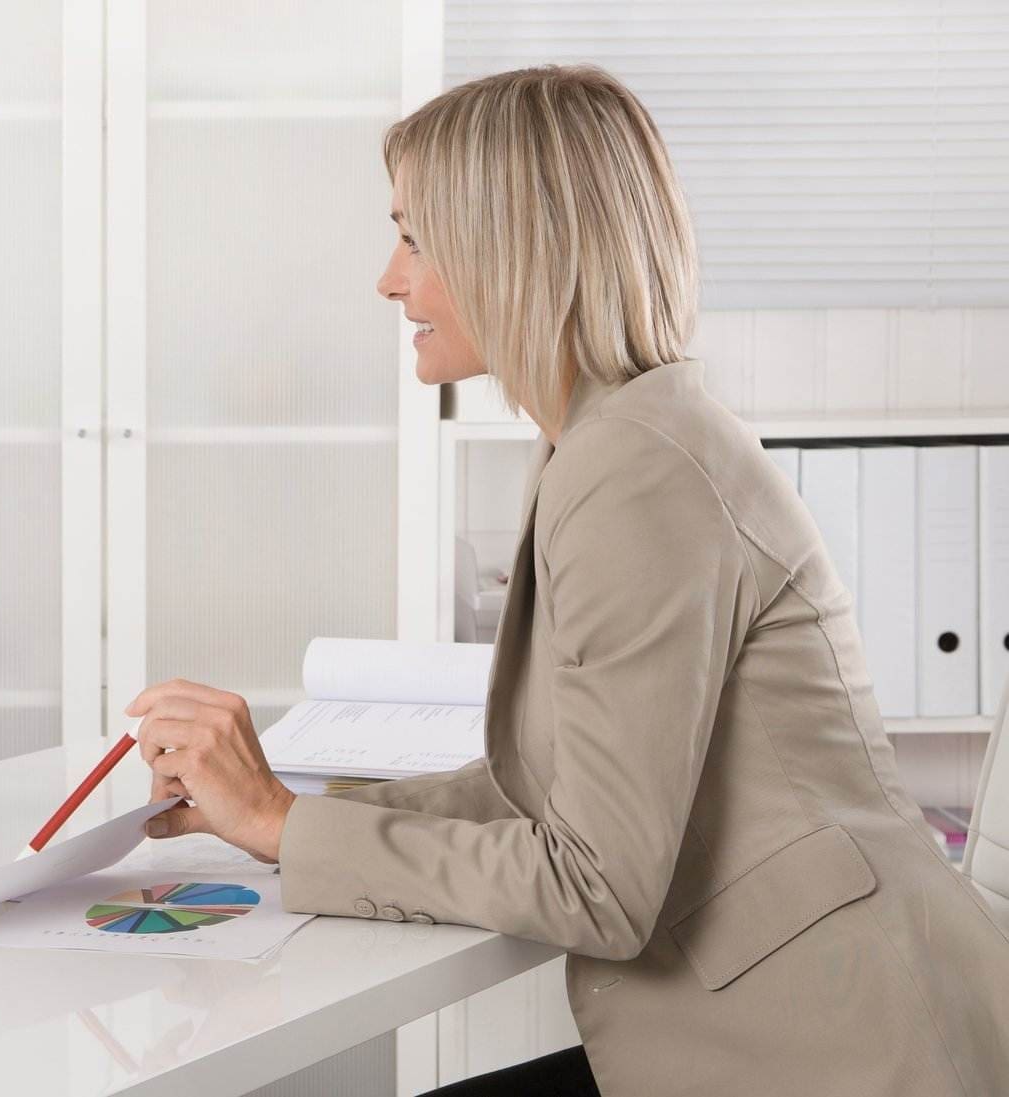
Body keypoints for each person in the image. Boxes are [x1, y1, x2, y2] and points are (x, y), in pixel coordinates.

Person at [122, 66, 1009, 1096]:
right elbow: (544, 788)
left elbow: (597, 884)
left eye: (414, 237)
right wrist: (278, 811)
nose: (387, 279)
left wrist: (285, 822)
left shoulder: (637, 469)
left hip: (839, 1053)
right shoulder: (616, 436)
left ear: (512, 251)